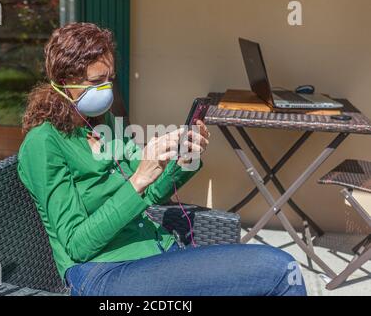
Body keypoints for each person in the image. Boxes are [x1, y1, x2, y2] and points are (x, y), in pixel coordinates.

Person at [17, 22, 307, 296]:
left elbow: (152, 194)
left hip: (157, 252)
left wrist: (181, 163)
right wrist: (139, 178)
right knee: (282, 270)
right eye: (96, 81)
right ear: (65, 82)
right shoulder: (44, 143)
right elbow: (77, 245)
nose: (106, 89)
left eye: (110, 80)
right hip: (104, 273)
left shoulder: (100, 125)